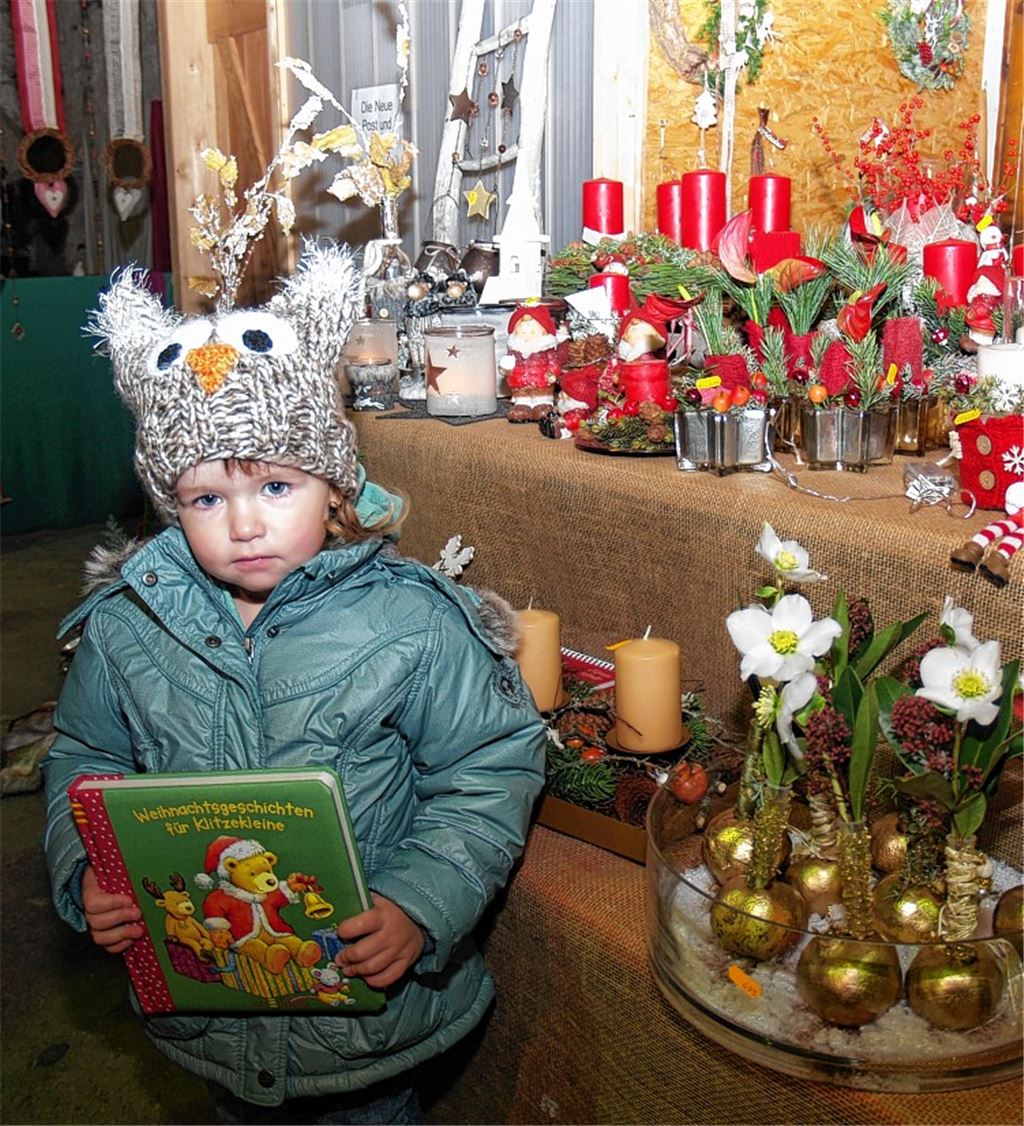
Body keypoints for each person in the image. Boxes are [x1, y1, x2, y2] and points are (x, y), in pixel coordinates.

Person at [41, 242, 548, 1124]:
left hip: (364, 1027)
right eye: (204, 499)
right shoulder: (129, 623)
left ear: (333, 480)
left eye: (276, 485)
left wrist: (419, 905)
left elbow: (491, 767)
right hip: (214, 1009)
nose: (243, 523)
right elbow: (86, 755)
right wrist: (87, 863)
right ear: (169, 502)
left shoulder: (410, 620)